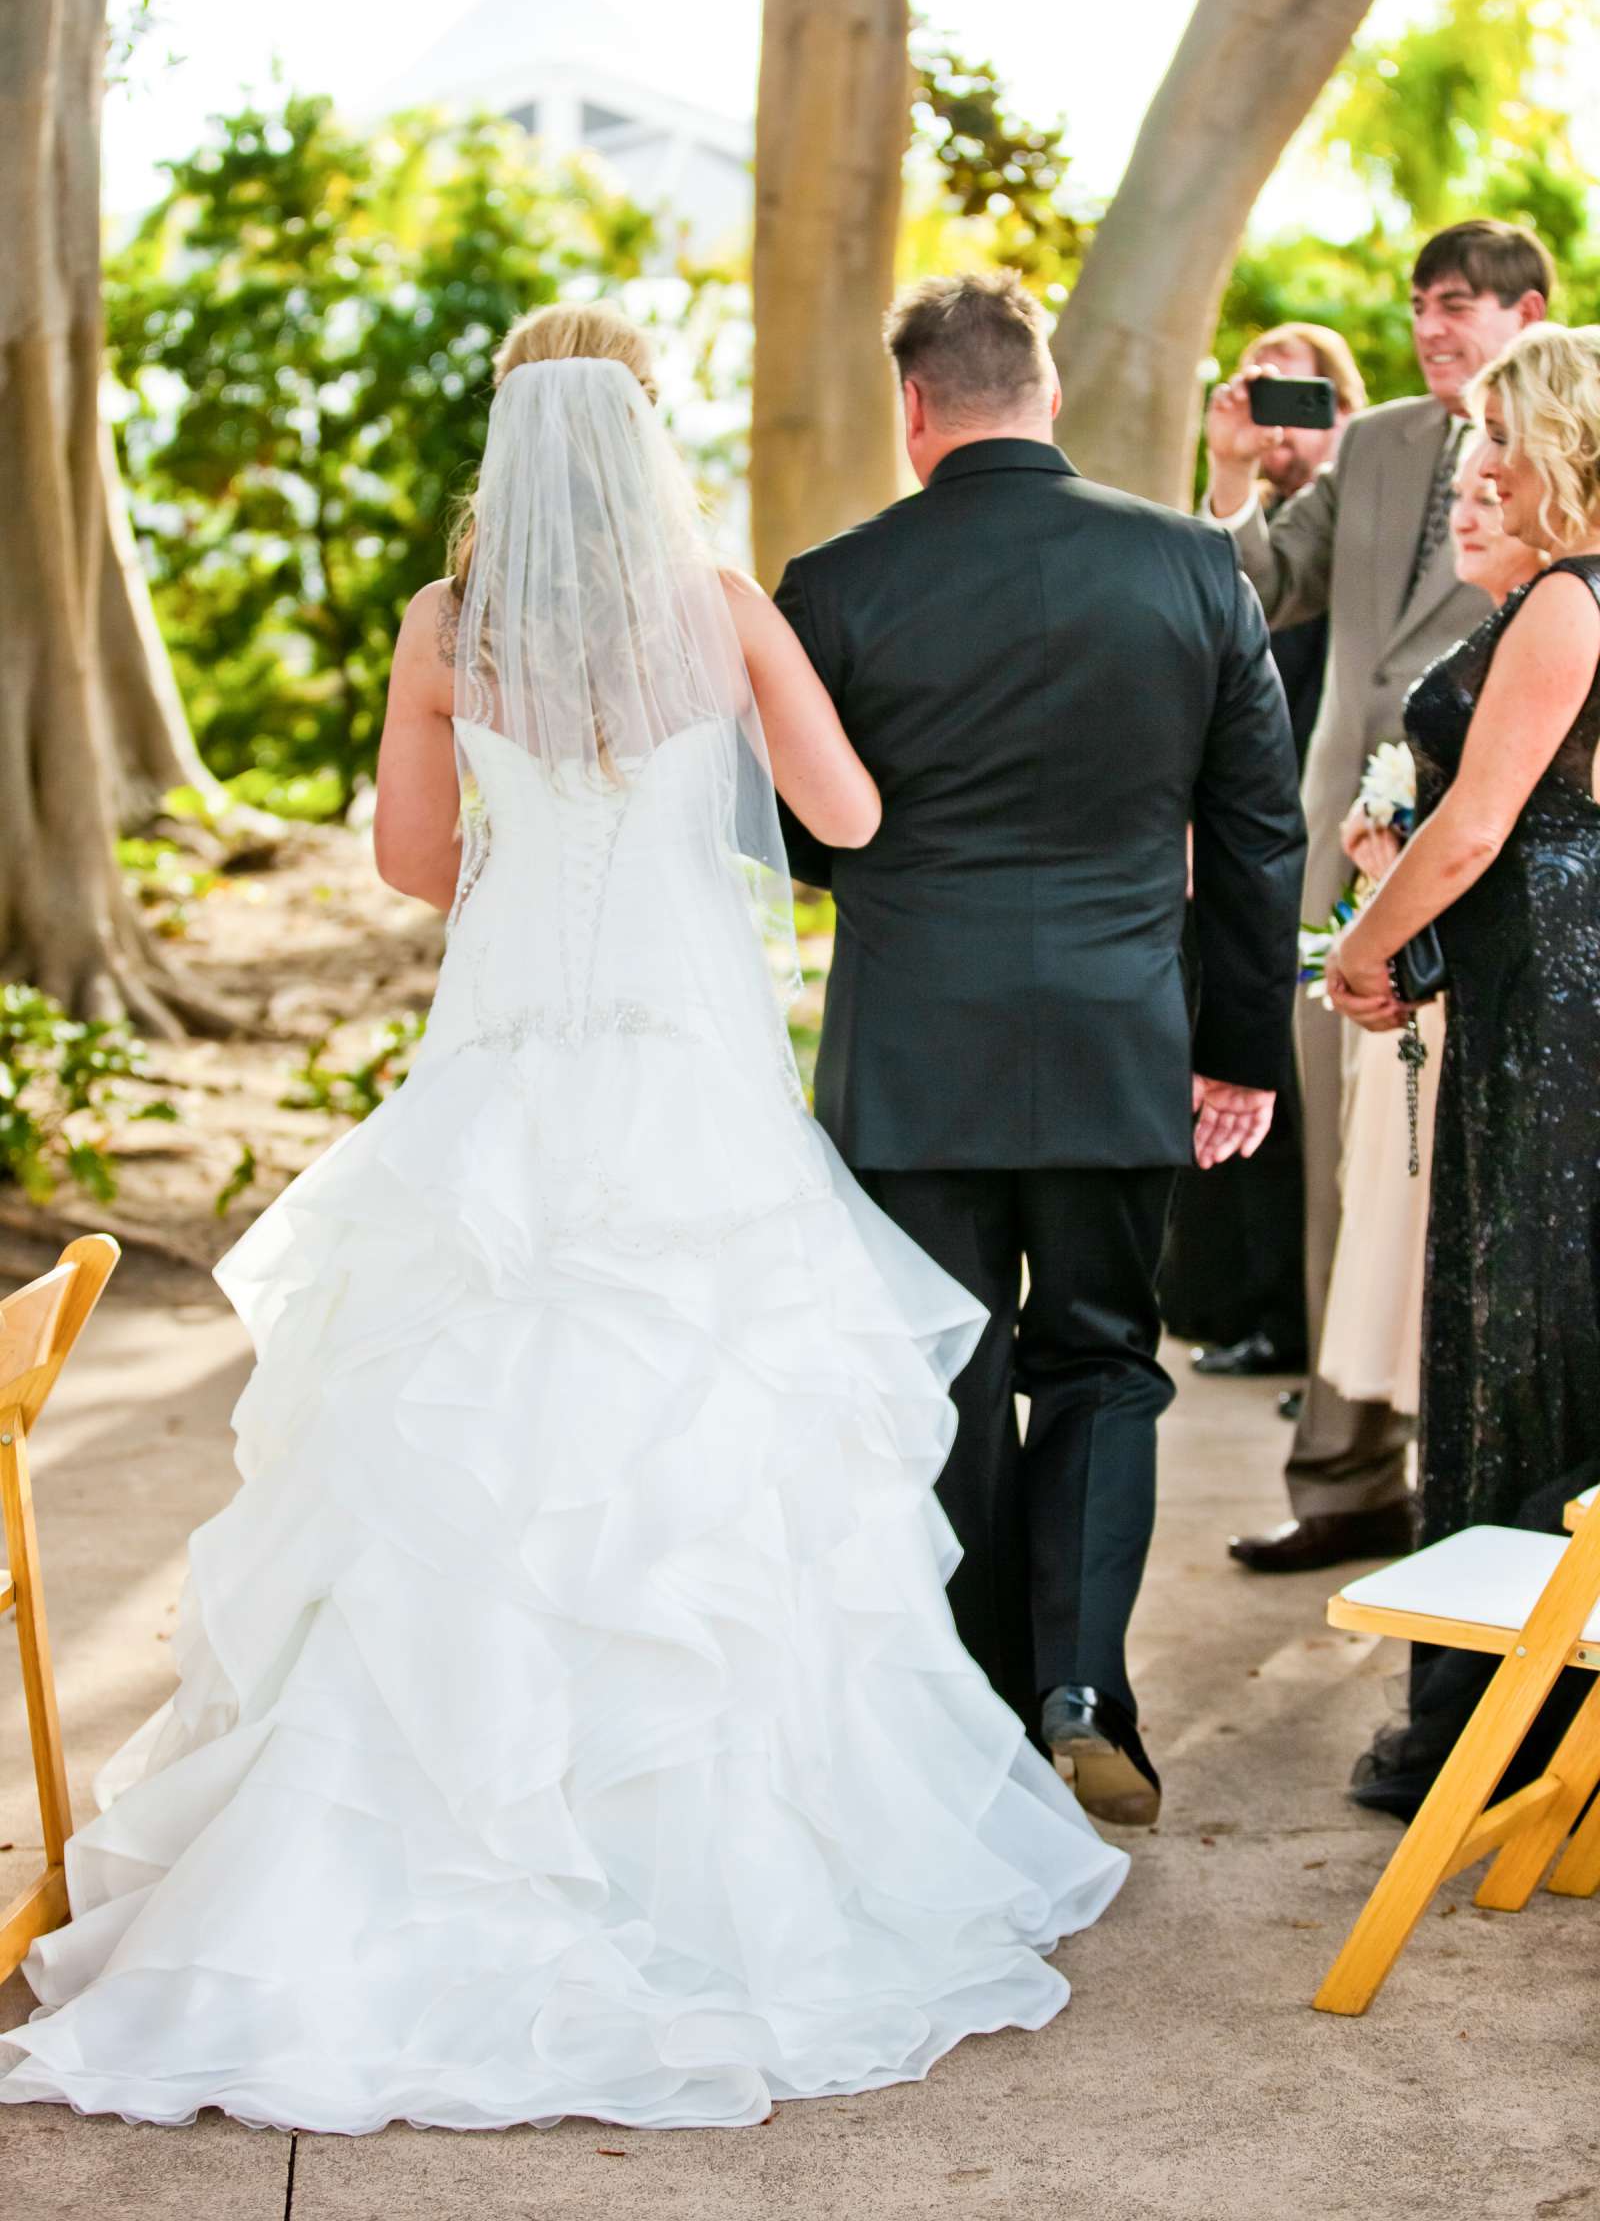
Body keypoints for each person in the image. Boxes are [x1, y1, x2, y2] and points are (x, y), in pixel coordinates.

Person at [0, 305, 1130, 2134]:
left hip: (510, 1084)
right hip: (689, 1096)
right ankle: (731, 1882)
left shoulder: (452, 631)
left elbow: (413, 862)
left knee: (455, 1462)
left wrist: (531, 818)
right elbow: (839, 812)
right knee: (714, 1480)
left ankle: (392, 1871)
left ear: (509, 443)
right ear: (642, 434)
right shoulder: (720, 611)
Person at [776, 272, 1305, 1829]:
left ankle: (979, 1719)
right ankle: (1084, 1689)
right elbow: (1257, 836)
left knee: (949, 1370)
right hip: (1114, 1041)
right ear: (1049, 395)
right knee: (1102, 1361)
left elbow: (809, 836)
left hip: (910, 1063)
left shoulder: (837, 581)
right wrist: (1239, 1051)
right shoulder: (1195, 566)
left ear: (916, 409)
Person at [1205, 219, 1555, 1572]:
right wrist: (1232, 472)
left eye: (1459, 305)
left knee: (1468, 1197)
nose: (1432, 328)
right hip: (1334, 876)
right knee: (1346, 1187)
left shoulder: (1572, 455)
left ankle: (1473, 1493)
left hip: (1504, 881)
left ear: (1530, 312)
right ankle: (1346, 1485)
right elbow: (1251, 583)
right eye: (1420, 305)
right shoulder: (1375, 444)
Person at [1329, 324, 1600, 1814]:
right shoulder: (1560, 598)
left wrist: (1360, 945)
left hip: (1557, 1007)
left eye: (1504, 439)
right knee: (1533, 1312)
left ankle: (1518, 1717)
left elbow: (1488, 828)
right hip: (1539, 985)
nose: (1479, 463)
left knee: (1529, 1320)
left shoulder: (1569, 598)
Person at [1316, 440, 1544, 1421]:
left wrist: (1373, 924)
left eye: (1488, 494)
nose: (1467, 512)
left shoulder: (1552, 627)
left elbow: (1504, 829)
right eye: (1455, 495)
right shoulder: (1501, 634)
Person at [1166, 322, 1366, 1381]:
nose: (1277, 414)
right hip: (1246, 831)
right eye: (1261, 390)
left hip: (1332, 830)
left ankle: (1308, 1323)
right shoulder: (1253, 535)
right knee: (1245, 1062)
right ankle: (1254, 1309)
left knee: (1304, 1084)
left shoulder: (1354, 525)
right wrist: (1229, 461)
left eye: (1301, 395)